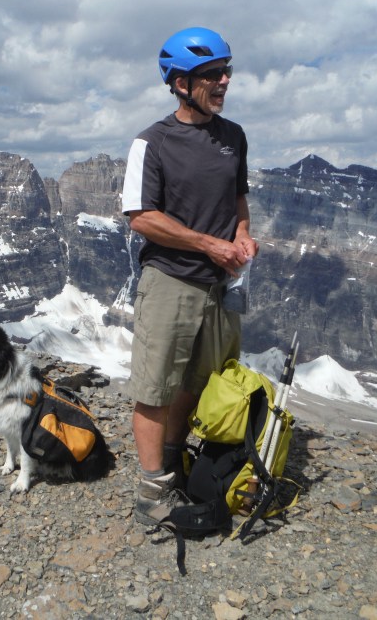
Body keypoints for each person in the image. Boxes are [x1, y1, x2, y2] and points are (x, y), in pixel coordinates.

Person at [121, 26, 259, 524]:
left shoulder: (234, 136)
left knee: (198, 384)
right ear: (181, 84)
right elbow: (140, 217)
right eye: (211, 75)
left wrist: (242, 236)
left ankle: (177, 461)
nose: (224, 81)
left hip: (222, 285)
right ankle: (152, 494)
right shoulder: (151, 143)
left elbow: (236, 200)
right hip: (172, 280)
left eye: (227, 71)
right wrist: (209, 245)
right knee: (156, 387)